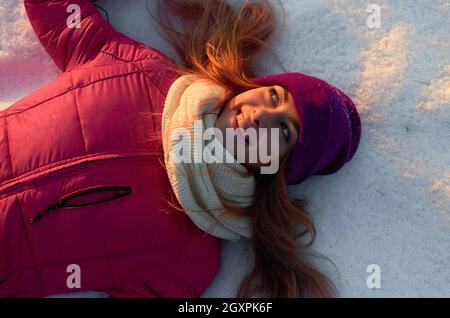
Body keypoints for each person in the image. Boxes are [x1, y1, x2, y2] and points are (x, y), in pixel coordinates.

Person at [0, 0, 360, 298]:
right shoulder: (141, 70)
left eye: (282, 130)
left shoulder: (190, 260)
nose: (260, 115)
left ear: (276, 167)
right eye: (273, 96)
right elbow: (56, 12)